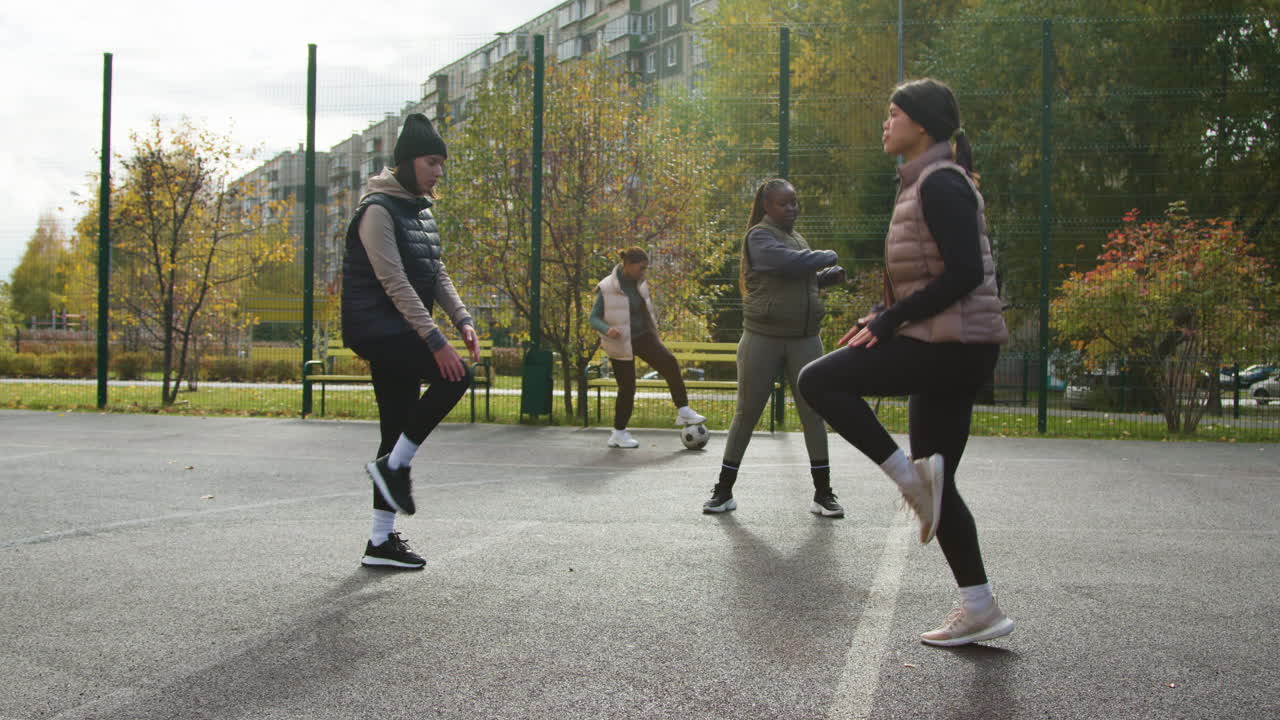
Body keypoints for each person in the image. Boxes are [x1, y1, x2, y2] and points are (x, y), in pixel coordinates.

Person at [796, 78, 1013, 646]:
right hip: (952, 345)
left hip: (953, 348)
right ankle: (980, 606)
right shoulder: (923, 183)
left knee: (818, 380)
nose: (884, 124)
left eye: (893, 114)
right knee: (942, 485)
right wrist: (881, 313)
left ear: (921, 125)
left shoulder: (940, 184)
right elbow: (926, 277)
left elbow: (966, 274)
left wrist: (890, 323)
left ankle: (909, 483)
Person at [341, 113, 480, 570]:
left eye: (442, 163)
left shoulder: (419, 211)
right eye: (431, 162)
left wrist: (461, 319)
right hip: (377, 327)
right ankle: (393, 468)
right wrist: (437, 340)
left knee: (396, 428)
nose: (438, 171)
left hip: (400, 328)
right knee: (456, 376)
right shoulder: (378, 209)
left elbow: (435, 271)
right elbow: (395, 281)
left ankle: (380, 541)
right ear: (405, 162)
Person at [702, 179, 847, 517]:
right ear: (767, 207)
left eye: (794, 202)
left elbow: (798, 277)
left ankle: (823, 494)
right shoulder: (758, 236)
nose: (791, 208)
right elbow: (782, 264)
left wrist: (825, 278)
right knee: (747, 413)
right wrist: (826, 257)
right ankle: (723, 492)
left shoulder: (798, 239)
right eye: (784, 204)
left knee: (813, 414)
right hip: (763, 338)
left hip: (805, 339)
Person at [590, 247, 706, 448]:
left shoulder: (640, 283)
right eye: (641, 268)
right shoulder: (607, 287)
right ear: (628, 265)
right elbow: (593, 317)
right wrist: (607, 329)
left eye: (645, 268)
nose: (644, 272)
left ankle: (683, 409)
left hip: (643, 336)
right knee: (627, 388)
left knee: (669, 362)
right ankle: (618, 433)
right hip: (620, 341)